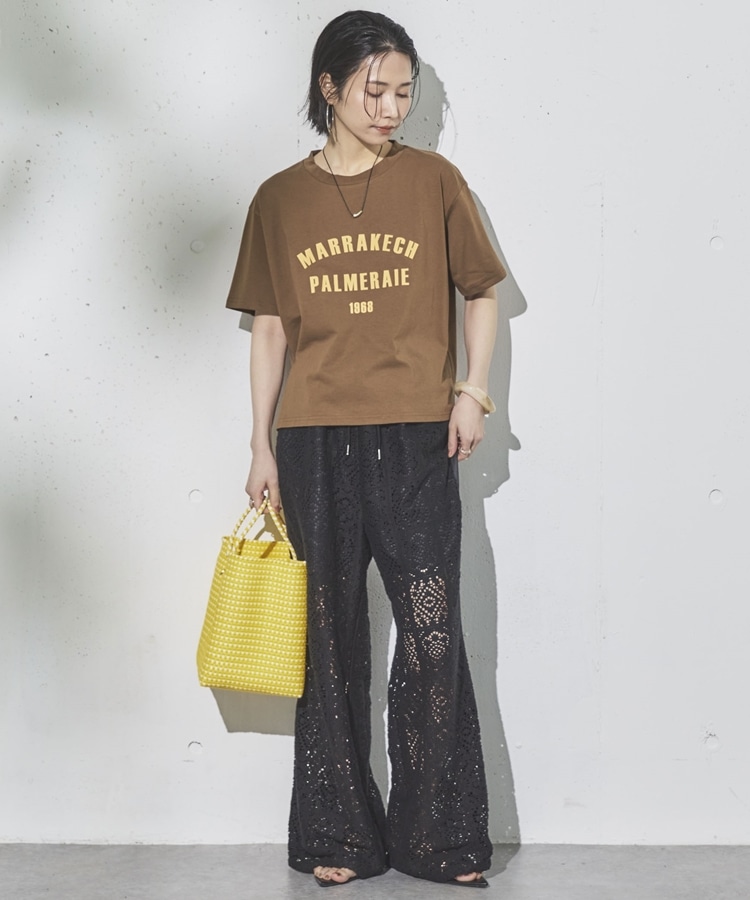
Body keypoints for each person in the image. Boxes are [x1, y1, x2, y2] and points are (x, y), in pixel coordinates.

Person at [226, 10, 506, 889]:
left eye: (403, 94)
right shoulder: (279, 199)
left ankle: (439, 837)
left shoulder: (435, 181)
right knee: (329, 636)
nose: (390, 109)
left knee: (430, 632)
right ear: (329, 88)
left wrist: (472, 392)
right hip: (312, 440)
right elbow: (269, 329)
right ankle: (339, 835)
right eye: (373, 91)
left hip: (418, 437)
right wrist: (260, 444)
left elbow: (481, 292)